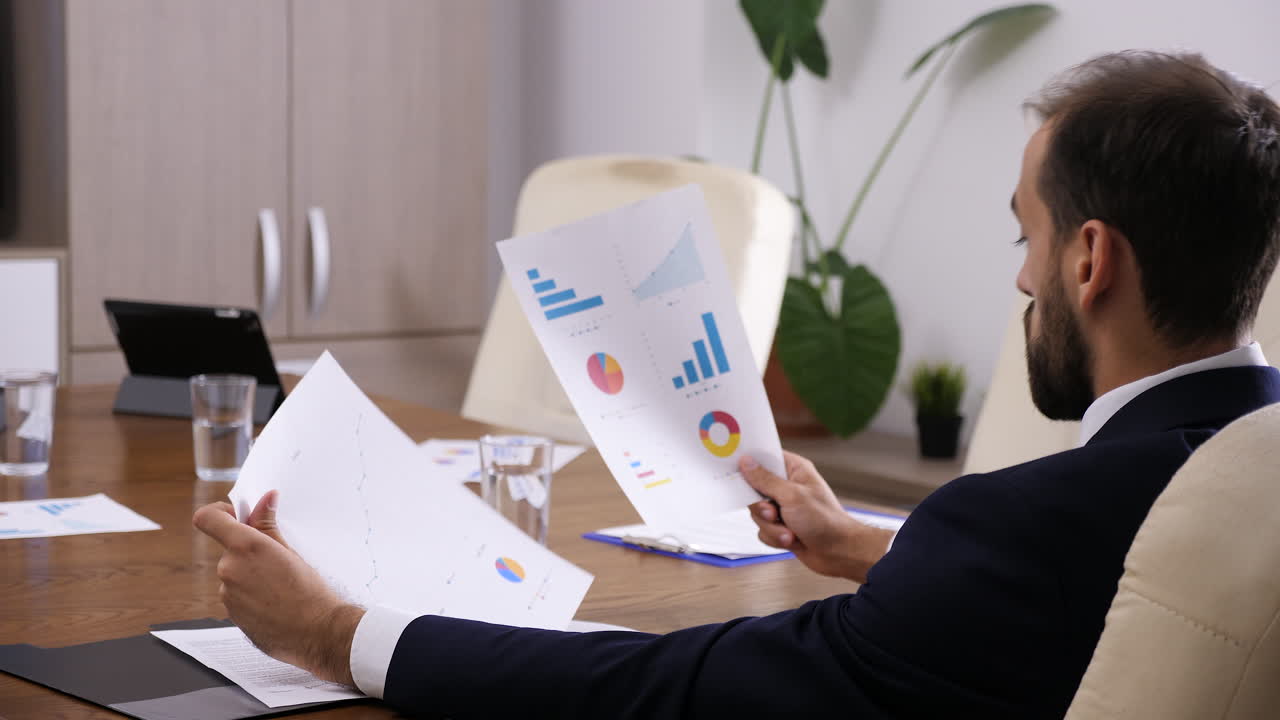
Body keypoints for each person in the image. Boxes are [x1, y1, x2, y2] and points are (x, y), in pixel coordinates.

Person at [194, 50, 1280, 718]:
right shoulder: (1237, 471)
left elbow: (675, 692)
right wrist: (867, 546)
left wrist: (334, 634)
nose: (1019, 276)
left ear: (1089, 261)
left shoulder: (1022, 527)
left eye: (1026, 237)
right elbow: (1087, 595)